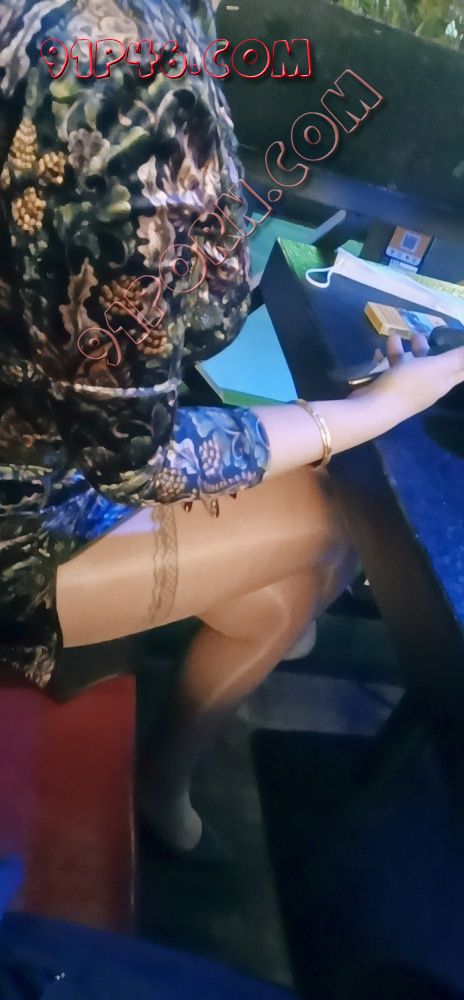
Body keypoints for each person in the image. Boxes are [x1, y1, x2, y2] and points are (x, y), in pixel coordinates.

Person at [0, 0, 463, 857]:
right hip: (25, 513)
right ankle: (161, 775)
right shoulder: (106, 57)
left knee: (283, 591)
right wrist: (376, 409)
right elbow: (131, 455)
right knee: (332, 520)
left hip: (54, 441)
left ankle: (164, 776)